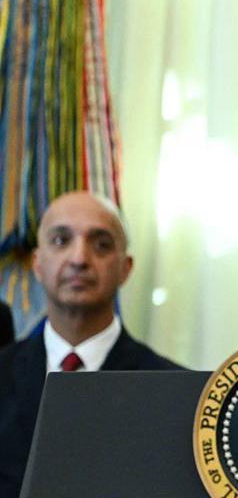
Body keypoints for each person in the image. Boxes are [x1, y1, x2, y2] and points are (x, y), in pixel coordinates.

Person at [0, 191, 181, 497]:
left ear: (126, 267)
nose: (79, 258)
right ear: (37, 264)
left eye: (101, 245)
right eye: (60, 240)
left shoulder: (173, 391)